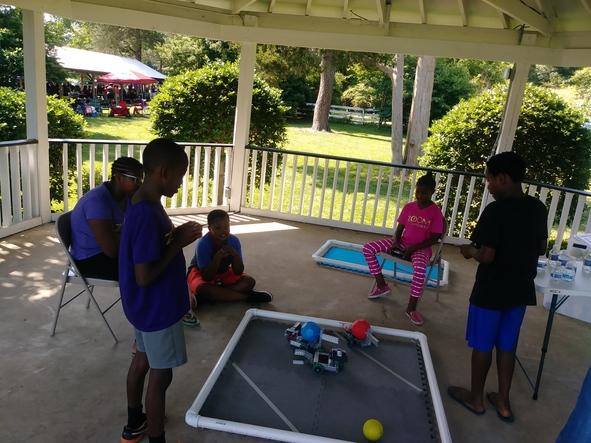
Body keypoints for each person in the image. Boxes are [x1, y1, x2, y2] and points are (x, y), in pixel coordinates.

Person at [447, 152, 547, 423]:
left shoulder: (495, 211)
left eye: (489, 180)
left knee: (482, 345)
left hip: (490, 292)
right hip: (520, 291)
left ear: (503, 179)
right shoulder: (538, 208)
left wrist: (468, 250)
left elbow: (487, 255)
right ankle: (503, 403)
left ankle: (476, 399)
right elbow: (541, 247)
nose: (488, 186)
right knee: (506, 346)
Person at [118, 138, 203, 443]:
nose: (182, 182)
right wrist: (178, 244)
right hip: (156, 309)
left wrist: (175, 235)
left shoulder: (145, 201)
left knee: (141, 361)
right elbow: (144, 276)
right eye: (181, 176)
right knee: (161, 374)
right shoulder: (145, 215)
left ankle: (134, 420)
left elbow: (153, 250)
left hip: (144, 308)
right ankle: (155, 436)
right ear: (164, 173)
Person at [362, 172, 444, 326]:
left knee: (420, 270)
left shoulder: (435, 212)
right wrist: (395, 242)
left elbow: (434, 238)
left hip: (421, 248)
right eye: (418, 192)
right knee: (368, 248)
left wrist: (413, 248)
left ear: (432, 192)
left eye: (424, 193)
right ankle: (381, 285)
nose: (420, 196)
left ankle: (411, 308)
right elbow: (400, 228)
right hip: (403, 243)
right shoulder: (409, 207)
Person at [70, 157, 143, 280]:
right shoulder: (97, 202)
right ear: (119, 178)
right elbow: (112, 250)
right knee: (147, 269)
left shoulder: (127, 197)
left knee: (153, 258)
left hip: (106, 255)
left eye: (141, 180)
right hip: (90, 261)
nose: (140, 184)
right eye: (135, 180)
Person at [186, 209, 272, 305]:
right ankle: (246, 297)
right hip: (200, 272)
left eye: (226, 227)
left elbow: (238, 271)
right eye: (218, 228)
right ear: (210, 229)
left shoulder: (234, 241)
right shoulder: (203, 243)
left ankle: (213, 296)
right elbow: (207, 277)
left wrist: (234, 254)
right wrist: (217, 258)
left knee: (249, 282)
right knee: (203, 289)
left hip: (224, 272)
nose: (223, 231)